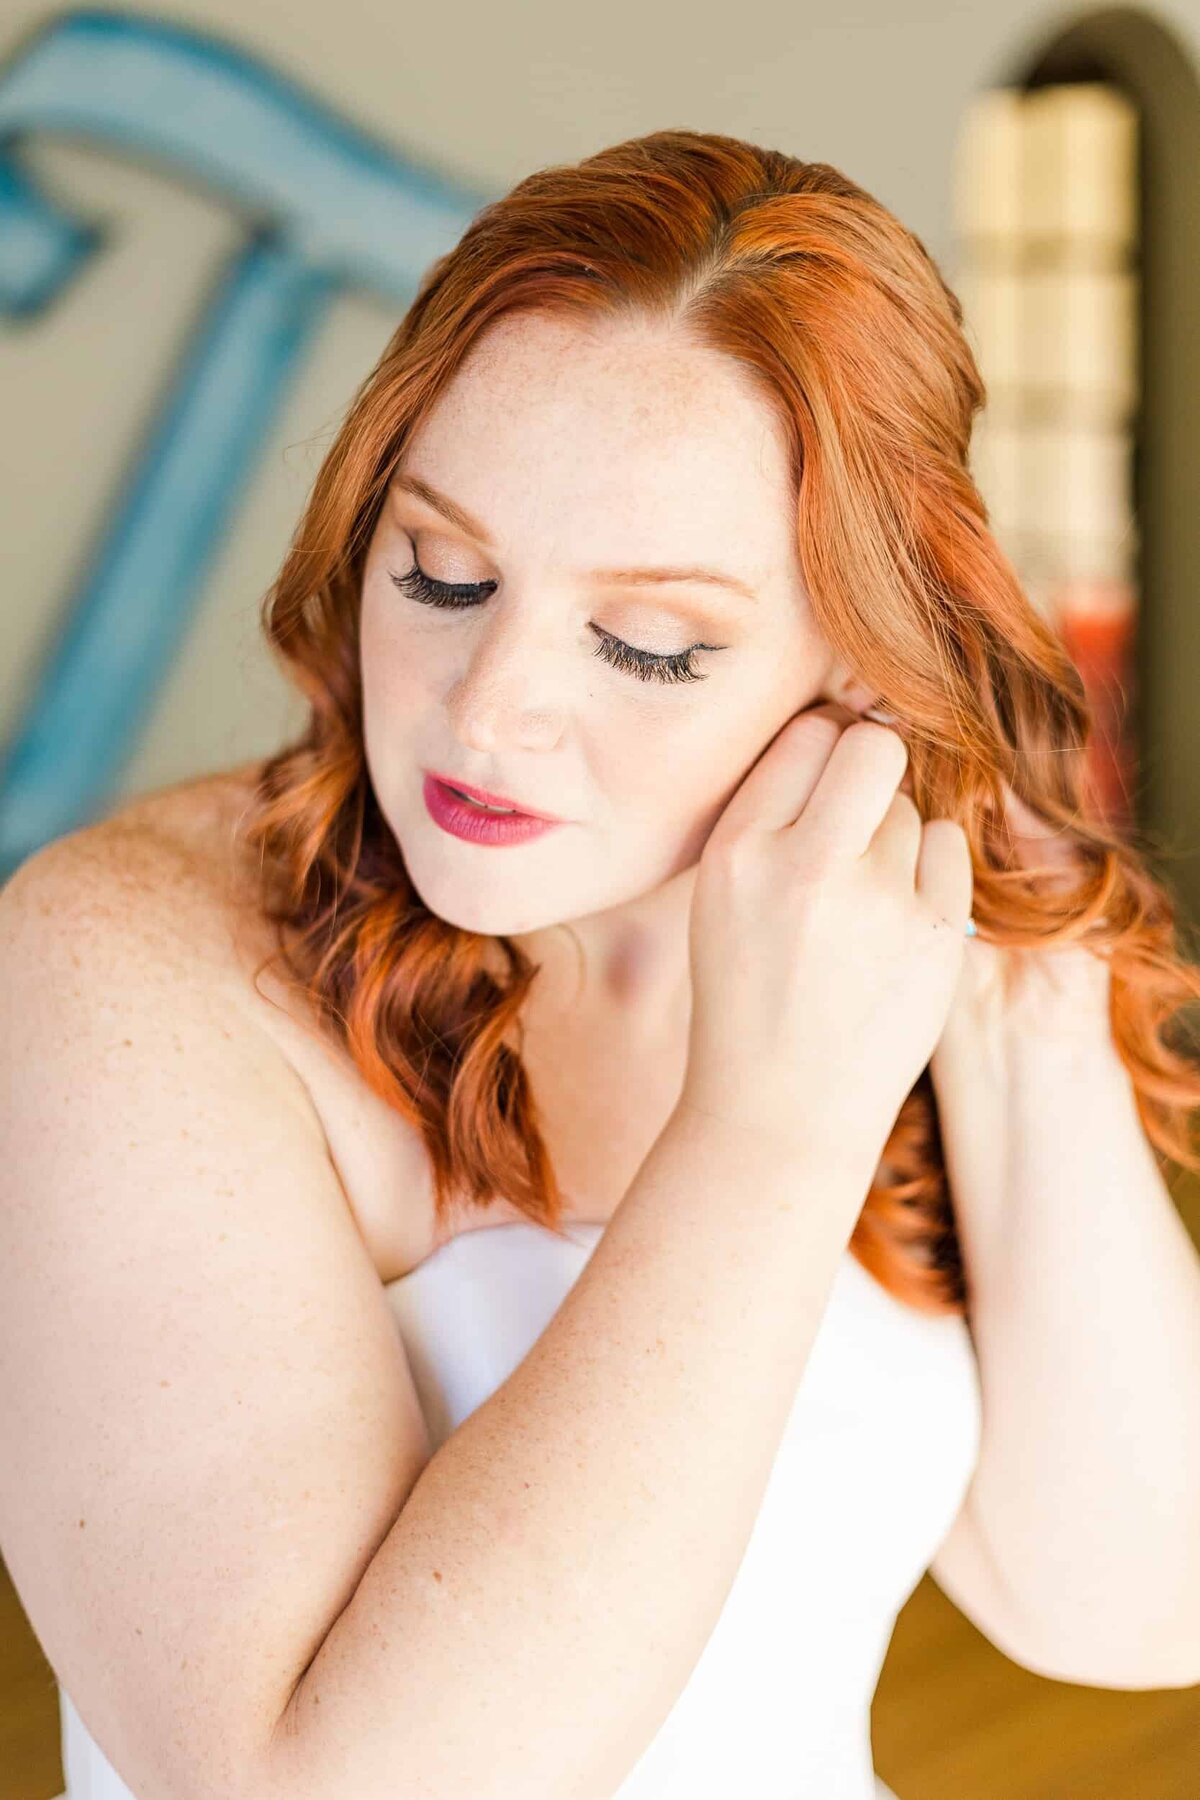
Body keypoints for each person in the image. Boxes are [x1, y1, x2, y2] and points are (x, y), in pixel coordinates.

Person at [3, 129, 1195, 1800]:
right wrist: (766, 1135)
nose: (485, 709)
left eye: (650, 644)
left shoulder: (852, 932)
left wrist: (1014, 988)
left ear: (862, 657)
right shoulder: (124, 955)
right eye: (443, 571)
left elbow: (1132, 1604)